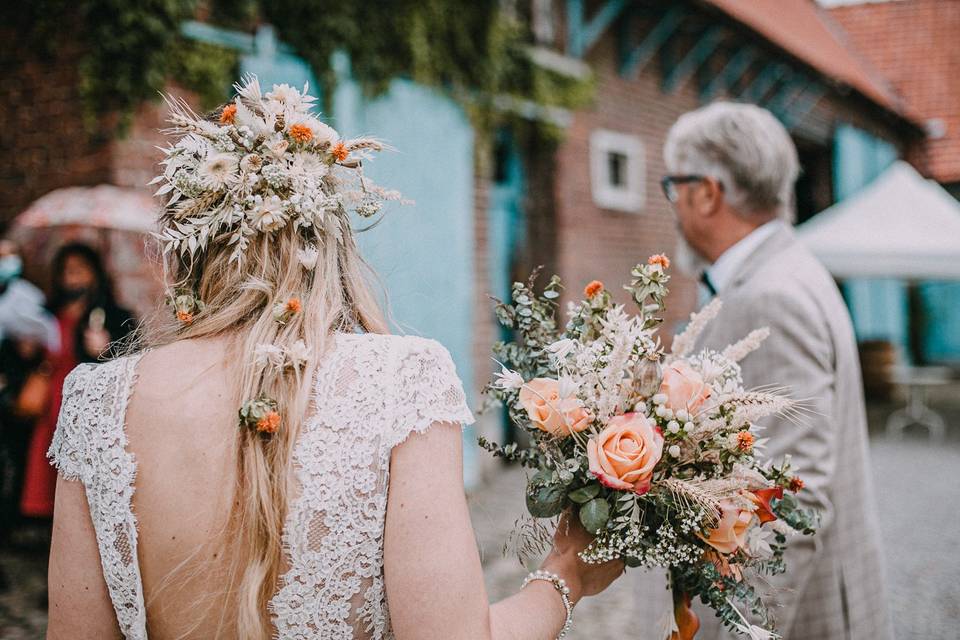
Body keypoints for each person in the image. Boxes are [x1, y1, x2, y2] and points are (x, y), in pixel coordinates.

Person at [45, 79, 622, 639]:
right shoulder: (401, 382)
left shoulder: (98, 402)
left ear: (187, 248)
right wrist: (566, 573)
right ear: (328, 236)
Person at [635, 102, 893, 640]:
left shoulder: (771, 296)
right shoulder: (785, 271)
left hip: (805, 619)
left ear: (707, 192)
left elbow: (794, 495)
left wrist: (743, 631)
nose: (673, 207)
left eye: (672, 188)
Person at [20, 243, 135, 520]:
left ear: (94, 273)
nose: (73, 278)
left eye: (79, 271)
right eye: (67, 272)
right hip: (50, 398)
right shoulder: (47, 311)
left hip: (87, 402)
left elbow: (131, 361)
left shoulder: (114, 314)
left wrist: (106, 350)